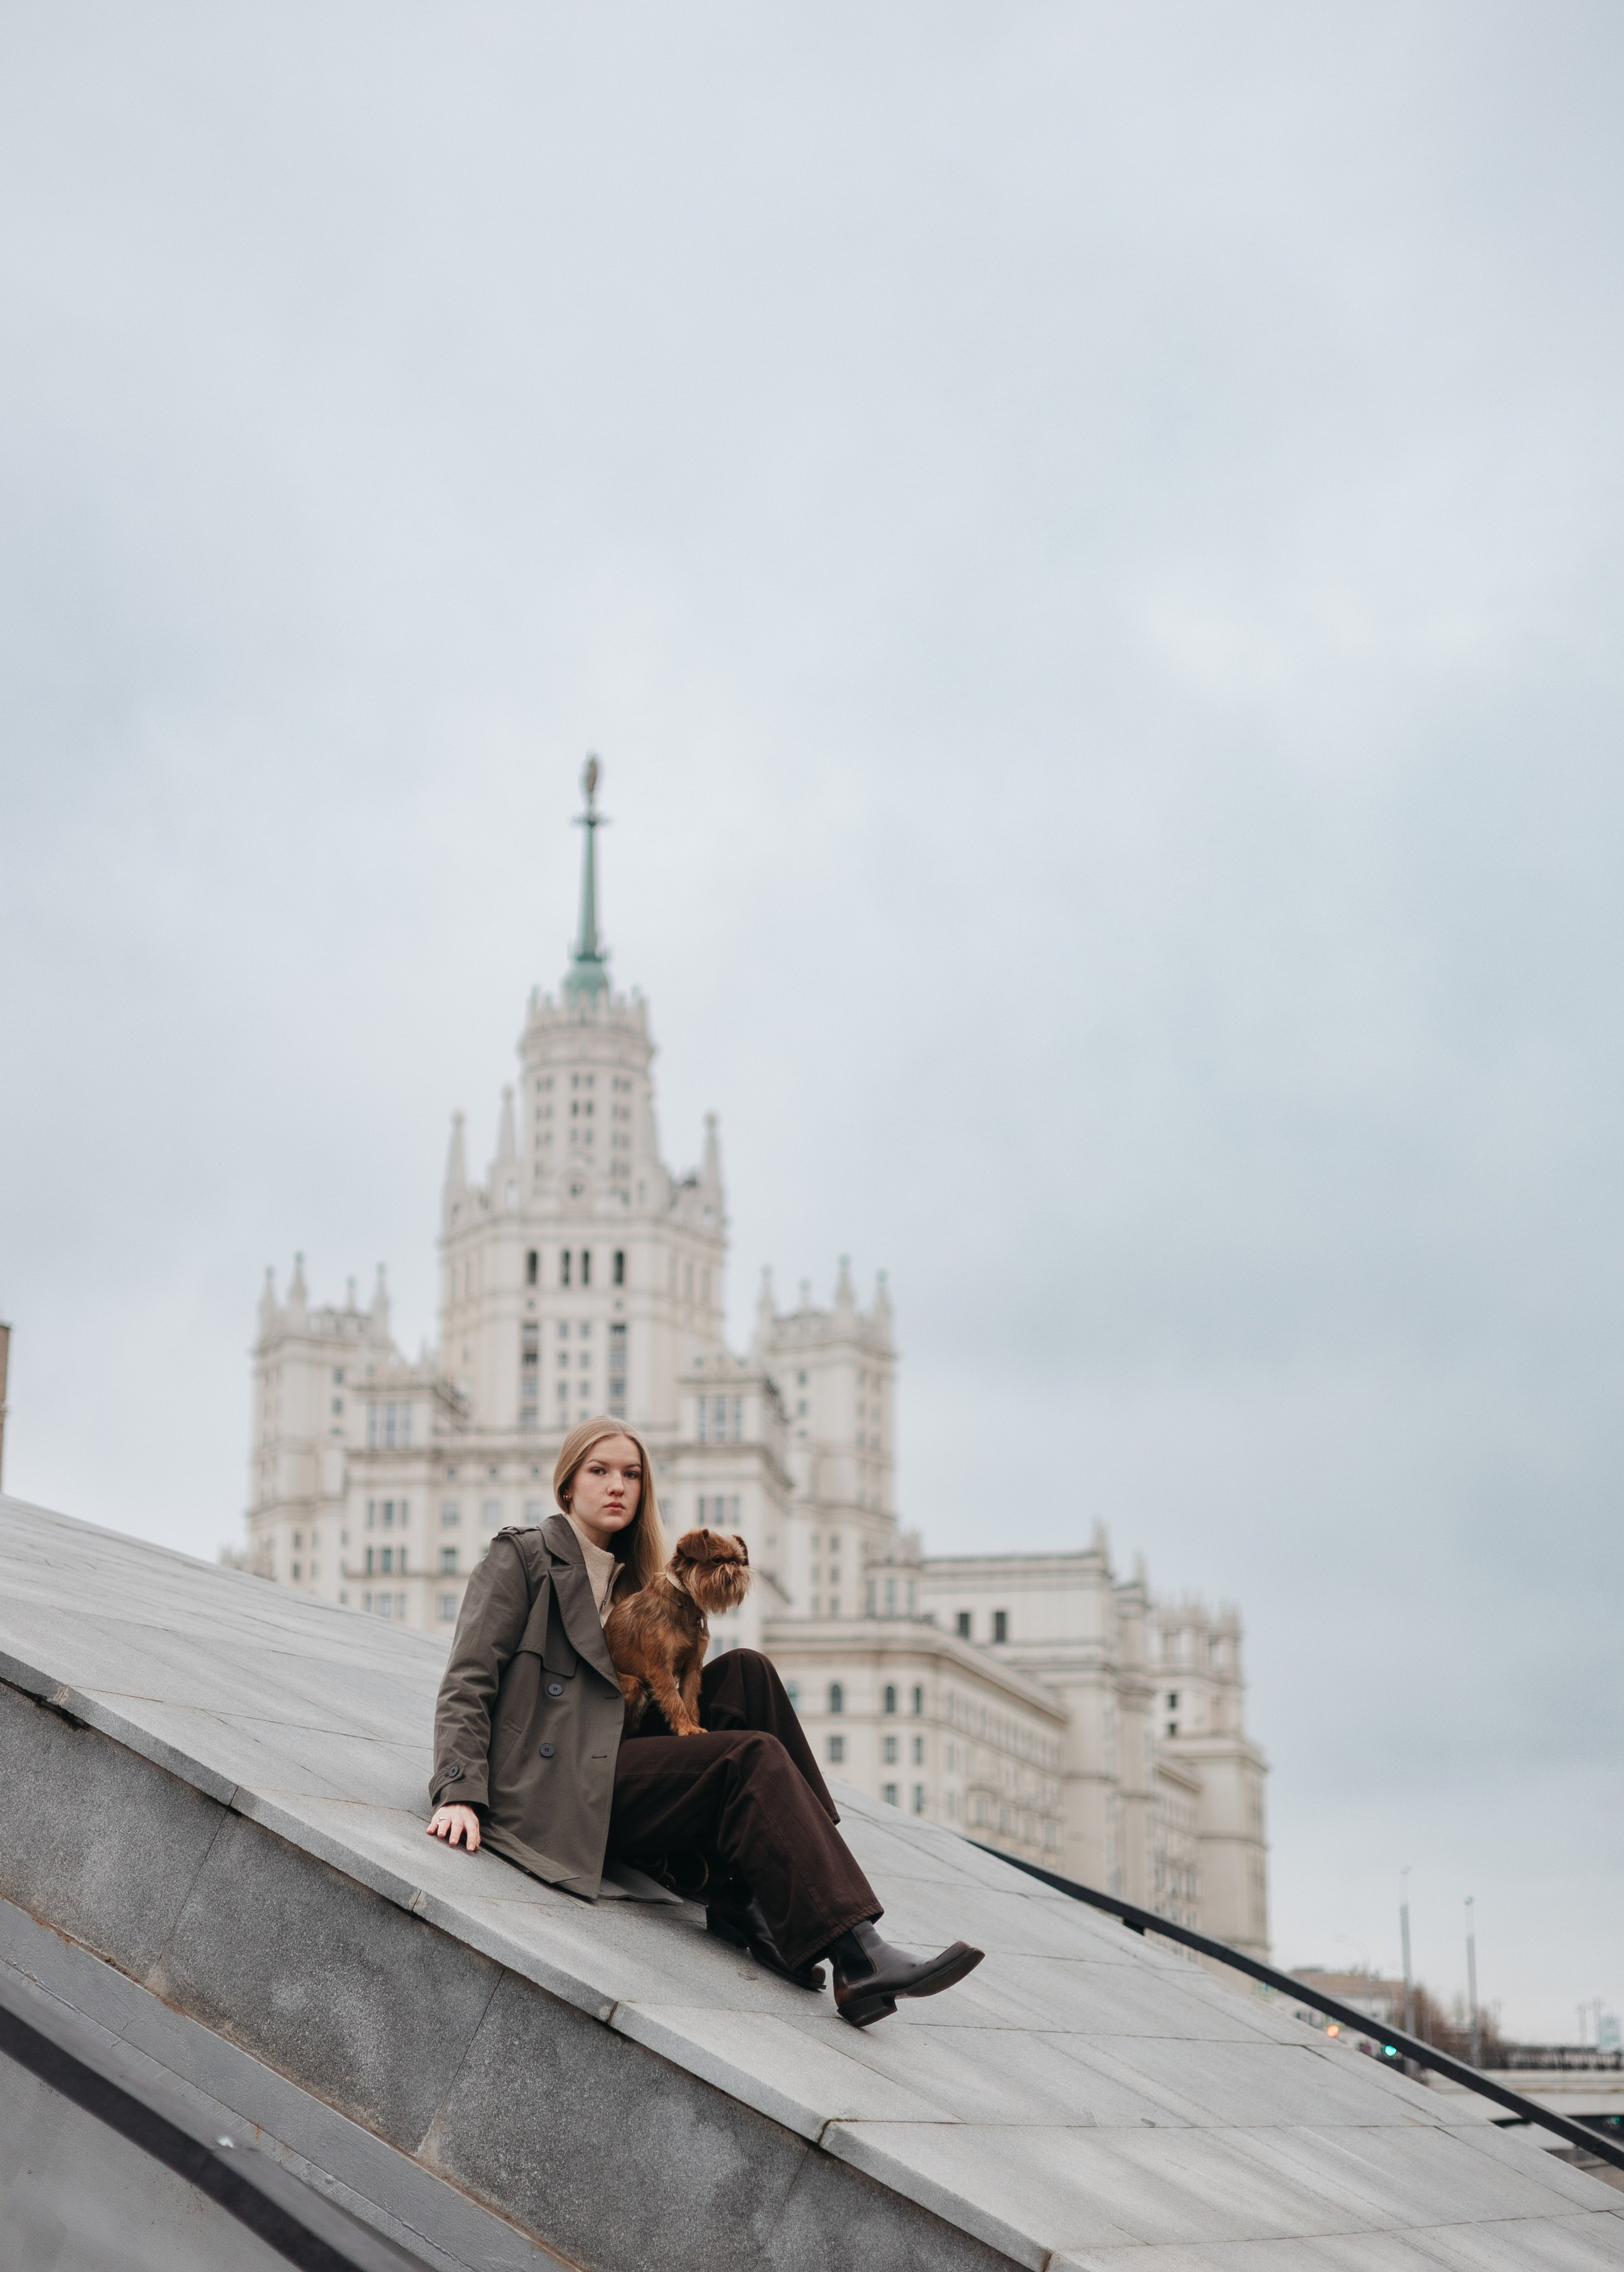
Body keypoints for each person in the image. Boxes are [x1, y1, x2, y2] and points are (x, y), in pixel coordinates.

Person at [428, 1415, 983, 2028]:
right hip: (559, 1784)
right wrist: (459, 1791)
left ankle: (759, 1889)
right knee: (748, 1756)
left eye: (632, 1474)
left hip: (624, 1753)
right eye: (600, 1471)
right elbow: (468, 1677)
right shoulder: (524, 1556)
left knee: (749, 1670)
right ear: (567, 1485)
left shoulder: (642, 1580)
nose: (618, 1486)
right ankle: (858, 1957)